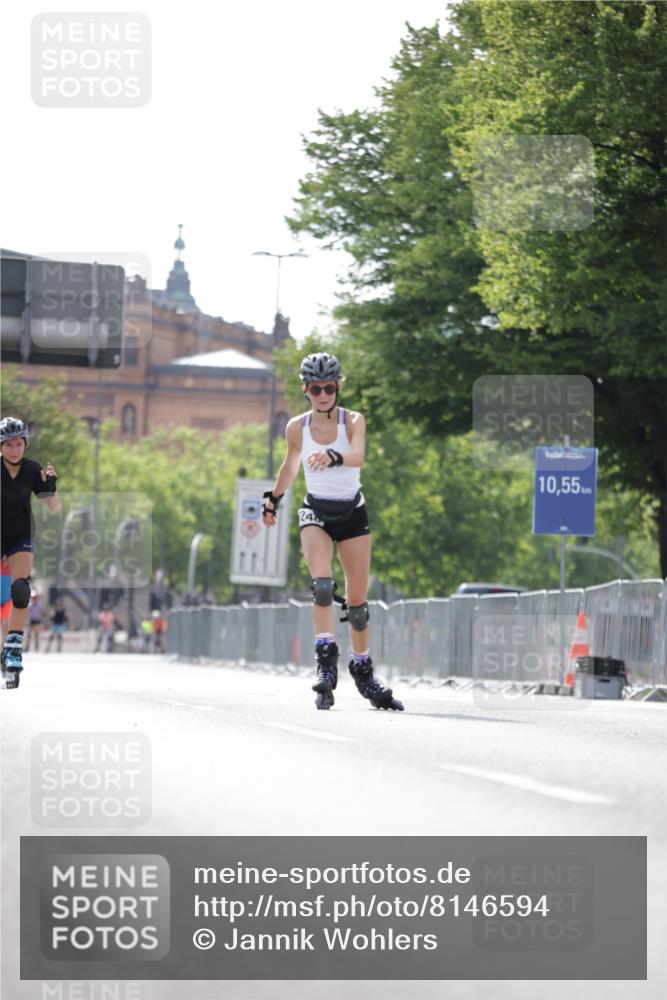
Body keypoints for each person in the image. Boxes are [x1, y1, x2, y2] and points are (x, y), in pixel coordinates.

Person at [262, 352, 403, 712]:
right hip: (316, 512)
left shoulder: (352, 420)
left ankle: (363, 669)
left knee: (357, 604)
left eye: (329, 388)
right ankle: (326, 661)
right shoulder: (297, 427)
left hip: (352, 513)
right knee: (323, 586)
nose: (323, 395)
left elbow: (358, 455)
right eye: (316, 389)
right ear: (305, 390)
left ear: (338, 387)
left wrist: (334, 457)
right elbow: (290, 466)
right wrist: (273, 500)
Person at [0, 417, 61, 688]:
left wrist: (51, 487)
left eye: (18, 444)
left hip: (20, 536)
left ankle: (13, 649)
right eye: (8, 444)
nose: (14, 450)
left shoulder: (32, 470)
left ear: (25, 444)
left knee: (21, 590)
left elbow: (54, 507)